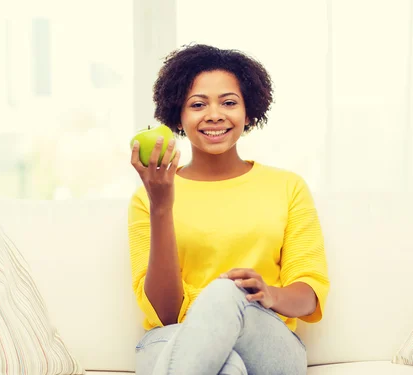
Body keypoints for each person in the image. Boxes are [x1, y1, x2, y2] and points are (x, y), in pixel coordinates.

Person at [128, 44, 329, 375]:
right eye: (197, 104)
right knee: (227, 368)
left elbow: (310, 295)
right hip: (175, 337)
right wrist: (161, 207)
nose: (214, 114)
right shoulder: (148, 198)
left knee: (226, 291)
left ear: (249, 113)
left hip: (266, 340)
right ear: (178, 115)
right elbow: (165, 314)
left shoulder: (287, 187)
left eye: (229, 102)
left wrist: (268, 293)